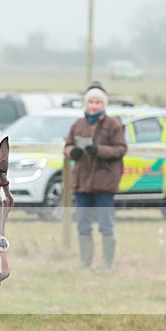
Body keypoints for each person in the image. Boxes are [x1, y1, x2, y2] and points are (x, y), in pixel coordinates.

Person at [65, 81, 127, 270]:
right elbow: (67, 145)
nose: (93, 106)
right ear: (86, 104)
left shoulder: (113, 125)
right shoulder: (78, 124)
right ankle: (85, 261)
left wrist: (98, 150)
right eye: (90, 102)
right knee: (83, 224)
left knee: (105, 225)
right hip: (82, 182)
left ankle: (107, 263)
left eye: (97, 102)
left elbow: (121, 149)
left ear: (103, 104)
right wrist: (72, 151)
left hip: (104, 183)